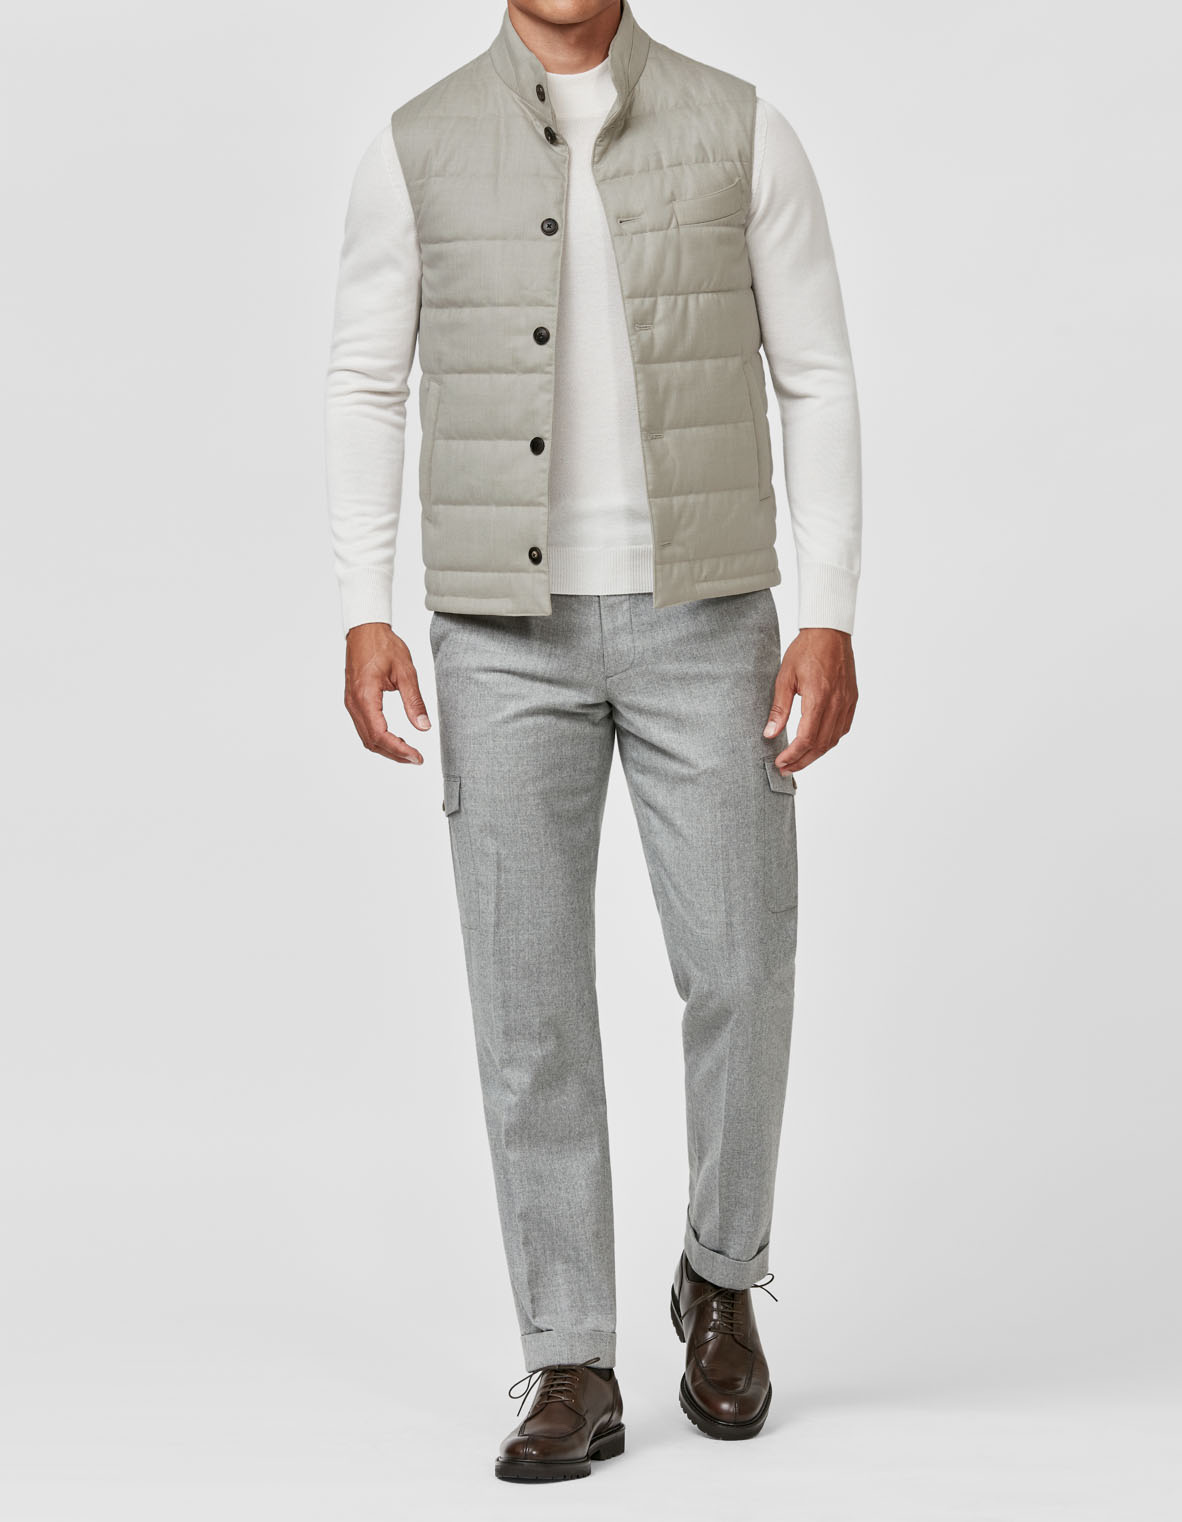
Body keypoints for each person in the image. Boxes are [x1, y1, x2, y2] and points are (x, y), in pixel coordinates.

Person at [325, 0, 861, 1482]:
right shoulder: (415, 146)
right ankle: (570, 1354)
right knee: (530, 1002)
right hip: (499, 635)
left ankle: (720, 1275)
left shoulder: (744, 130)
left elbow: (815, 371)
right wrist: (364, 605)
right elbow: (366, 377)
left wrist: (829, 610)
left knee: (743, 965)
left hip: (710, 615)